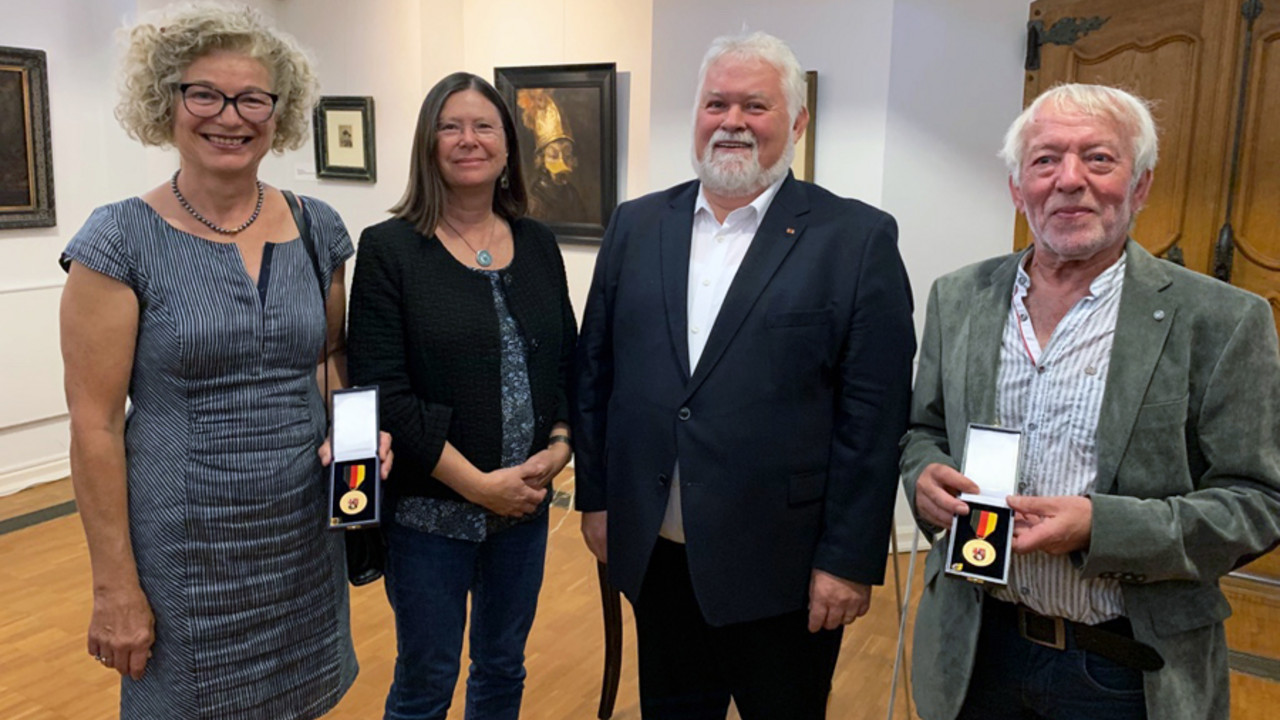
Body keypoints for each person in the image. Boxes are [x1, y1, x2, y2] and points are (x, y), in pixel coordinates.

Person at [902, 83, 1280, 720]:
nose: (1069, 180)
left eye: (1099, 159)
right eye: (1045, 160)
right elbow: (923, 429)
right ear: (1017, 189)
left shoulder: (1222, 319)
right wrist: (923, 476)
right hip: (974, 650)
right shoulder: (958, 297)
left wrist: (1100, 528)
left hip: (1123, 670)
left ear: (1140, 186)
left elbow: (1258, 503)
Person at [58, 5, 391, 719]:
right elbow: (93, 426)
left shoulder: (316, 227)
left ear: (280, 111)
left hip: (302, 540)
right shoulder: (118, 242)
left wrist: (357, 445)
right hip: (185, 553)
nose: (229, 116)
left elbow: (330, 356)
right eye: (203, 93)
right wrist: (114, 585)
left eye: (252, 98)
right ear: (166, 101)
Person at [573, 31, 916, 719]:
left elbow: (872, 422)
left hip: (784, 571)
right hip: (659, 556)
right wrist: (598, 498)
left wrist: (848, 560)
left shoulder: (855, 239)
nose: (732, 122)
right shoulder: (637, 225)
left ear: (797, 121)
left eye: (755, 105)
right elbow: (596, 376)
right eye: (716, 103)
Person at [346, 72, 576, 720]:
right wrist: (477, 484)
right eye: (451, 126)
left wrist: (559, 446)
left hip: (523, 510)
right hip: (428, 519)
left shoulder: (537, 244)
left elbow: (567, 361)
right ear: (428, 144)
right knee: (426, 680)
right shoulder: (389, 249)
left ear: (508, 147)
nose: (467, 139)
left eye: (484, 126)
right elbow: (383, 392)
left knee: (503, 668)